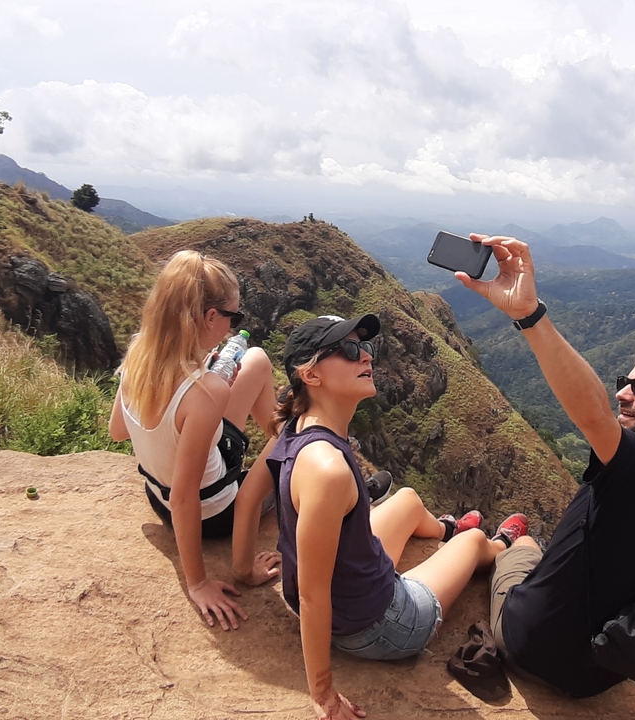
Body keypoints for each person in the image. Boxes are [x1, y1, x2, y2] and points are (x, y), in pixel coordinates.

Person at [454, 234, 635, 720]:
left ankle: (490, 541)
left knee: (524, 547)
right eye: (624, 383)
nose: (623, 395)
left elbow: (593, 412)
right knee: (536, 545)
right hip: (595, 676)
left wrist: (529, 316)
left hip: (531, 648)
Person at [269, 313, 527, 720]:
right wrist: (322, 692)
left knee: (406, 499)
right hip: (378, 625)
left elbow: (253, 494)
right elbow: (313, 593)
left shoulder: (295, 426)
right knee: (473, 543)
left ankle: (446, 527)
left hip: (352, 586)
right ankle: (500, 544)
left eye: (366, 348)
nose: (367, 358)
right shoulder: (328, 469)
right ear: (311, 375)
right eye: (351, 350)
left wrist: (245, 568)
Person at [108, 250, 282, 631]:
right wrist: (198, 584)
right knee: (289, 434)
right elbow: (185, 498)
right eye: (233, 317)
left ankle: (280, 435)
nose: (234, 326)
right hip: (213, 514)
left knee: (256, 359)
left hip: (157, 497)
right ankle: (296, 449)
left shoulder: (140, 351)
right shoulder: (205, 393)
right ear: (209, 318)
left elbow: (118, 431)